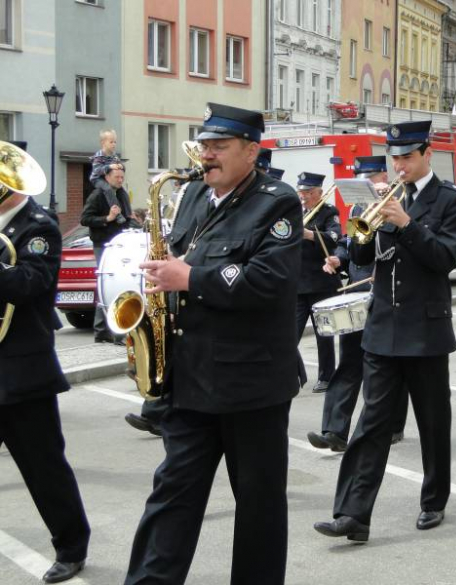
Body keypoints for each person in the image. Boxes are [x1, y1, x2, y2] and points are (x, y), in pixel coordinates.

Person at [123, 102, 302, 585]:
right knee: (170, 498)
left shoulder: (278, 201)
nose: (207, 156)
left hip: (252, 386)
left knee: (259, 509)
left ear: (251, 151)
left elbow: (270, 281)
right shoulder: (196, 195)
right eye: (204, 146)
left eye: (219, 146)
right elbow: (183, 254)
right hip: (193, 380)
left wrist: (191, 276)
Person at [313, 120, 456, 542]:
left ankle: (434, 500)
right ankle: (352, 514)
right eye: (394, 158)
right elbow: (362, 254)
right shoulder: (387, 198)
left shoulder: (452, 200)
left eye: (406, 157)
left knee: (432, 423)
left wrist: (406, 223)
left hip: (425, 329)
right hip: (382, 327)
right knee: (371, 425)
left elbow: (443, 258)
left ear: (426, 155)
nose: (398, 165)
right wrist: (362, 218)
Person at [0, 140, 91, 583]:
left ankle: (71, 547)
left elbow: (29, 284)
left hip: (23, 370)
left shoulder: (39, 227)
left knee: (44, 468)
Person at [307, 155, 407, 451]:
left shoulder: (398, 203)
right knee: (349, 361)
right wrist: (339, 256)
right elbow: (350, 244)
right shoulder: (357, 208)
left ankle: (393, 425)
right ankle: (334, 432)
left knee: (391, 363)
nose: (364, 185)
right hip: (356, 290)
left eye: (369, 179)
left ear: (380, 178)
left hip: (387, 290)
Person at [296, 172, 342, 393]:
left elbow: (334, 239)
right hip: (298, 284)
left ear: (319, 193)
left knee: (323, 333)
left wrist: (309, 234)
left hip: (321, 283)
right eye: (301, 192)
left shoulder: (329, 212)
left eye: (308, 192)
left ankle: (326, 376)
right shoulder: (297, 212)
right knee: (290, 333)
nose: (303, 197)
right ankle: (290, 373)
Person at [80, 165, 135, 343]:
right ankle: (104, 331)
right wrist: (107, 219)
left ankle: (107, 331)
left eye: (122, 177)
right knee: (107, 286)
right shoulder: (98, 195)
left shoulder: (121, 194)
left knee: (115, 286)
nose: (120, 180)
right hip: (103, 244)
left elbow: (126, 218)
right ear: (107, 177)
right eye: (117, 177)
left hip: (119, 244)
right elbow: (85, 219)